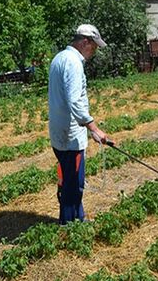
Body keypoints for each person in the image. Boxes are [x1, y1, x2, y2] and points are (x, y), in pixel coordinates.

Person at [48, 24, 109, 225]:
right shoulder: (73, 63)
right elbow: (75, 101)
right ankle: (67, 227)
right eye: (94, 47)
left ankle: (79, 218)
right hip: (70, 136)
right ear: (85, 42)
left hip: (59, 132)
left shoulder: (59, 58)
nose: (95, 51)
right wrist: (94, 128)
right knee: (73, 186)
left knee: (69, 180)